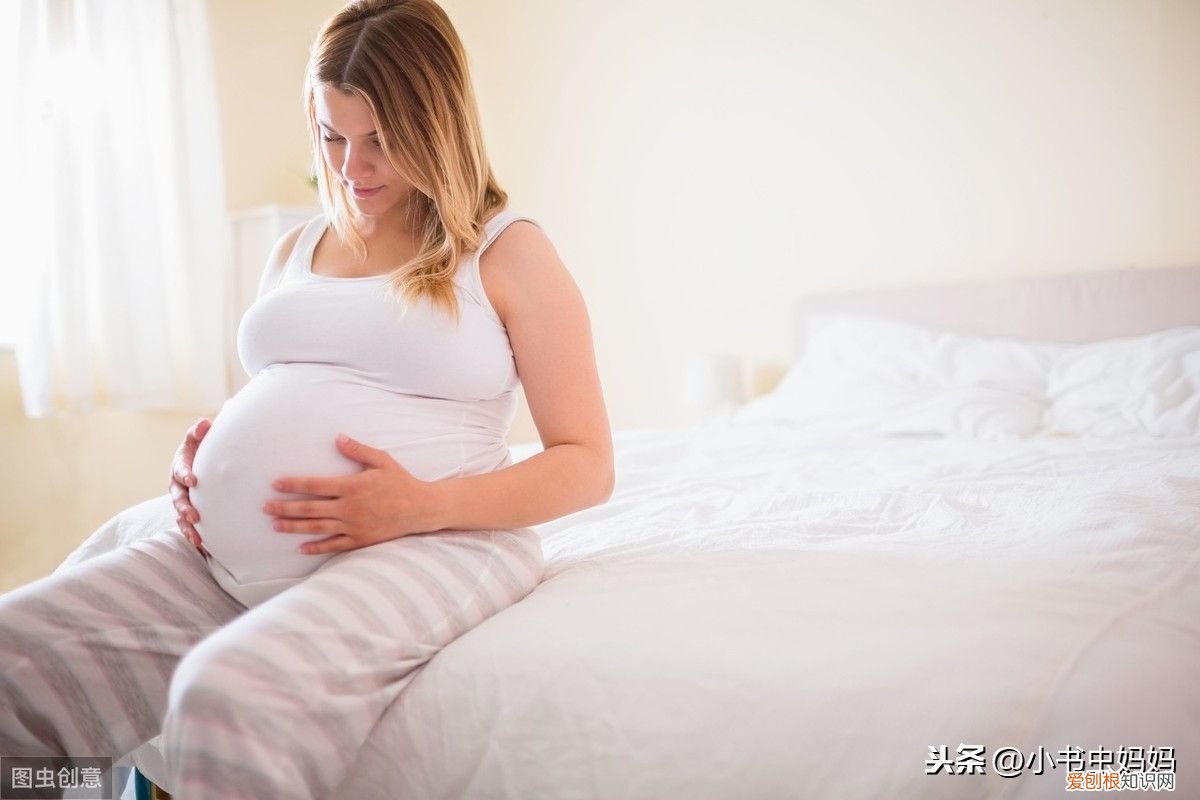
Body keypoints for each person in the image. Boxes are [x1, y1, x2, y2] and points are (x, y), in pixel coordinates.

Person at [0, 0, 614, 796]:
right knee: (12, 658)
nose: (352, 167)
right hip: (223, 560)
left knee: (226, 700)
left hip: (437, 541)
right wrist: (202, 458)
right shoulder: (297, 246)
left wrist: (419, 506)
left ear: (438, 125)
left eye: (381, 140)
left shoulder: (506, 250)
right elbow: (279, 396)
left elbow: (587, 463)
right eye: (332, 136)